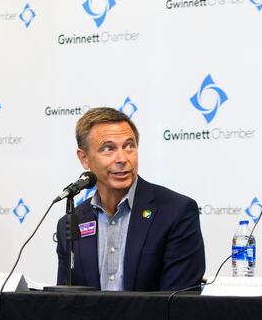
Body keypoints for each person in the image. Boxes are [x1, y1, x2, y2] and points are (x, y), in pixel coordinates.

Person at [56, 107, 205, 291]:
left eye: (129, 146)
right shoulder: (71, 223)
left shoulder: (176, 212)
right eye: (108, 148)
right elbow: (64, 303)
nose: (122, 158)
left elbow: (178, 304)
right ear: (84, 158)